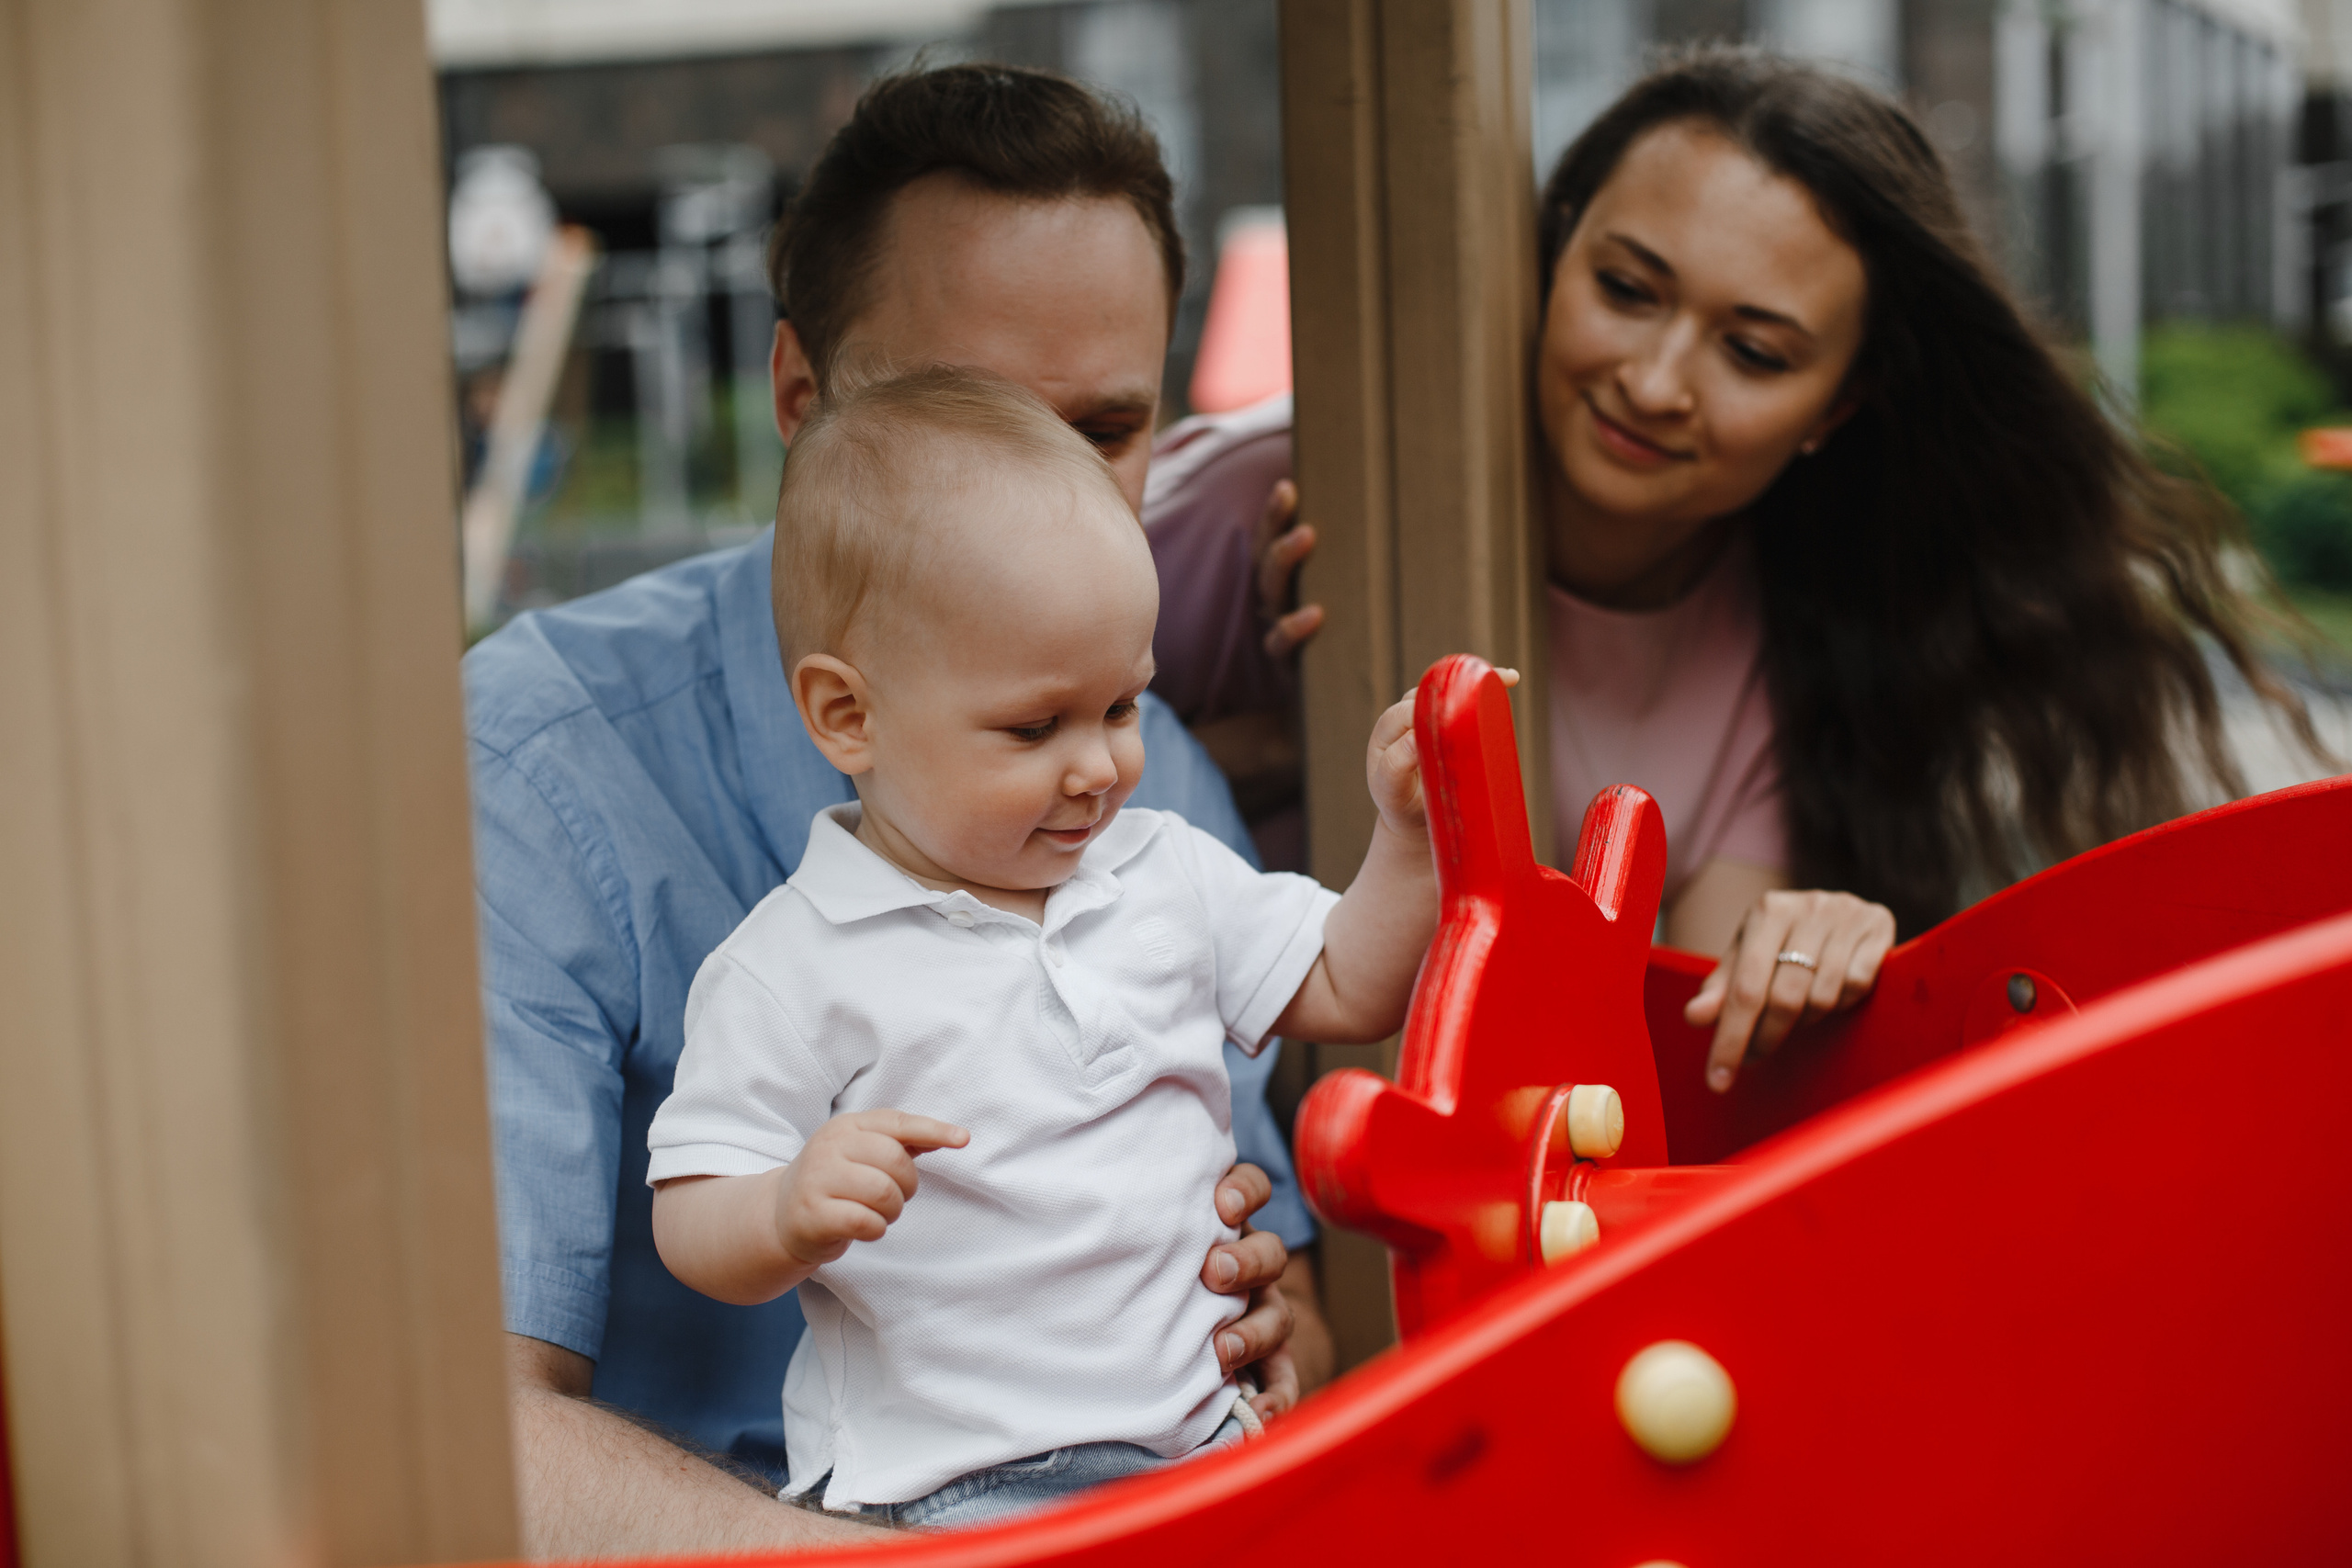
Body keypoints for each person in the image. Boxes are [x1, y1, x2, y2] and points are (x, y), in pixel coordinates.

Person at [467, 65, 1324, 1560]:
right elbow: (470, 1422)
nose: (1048, 483)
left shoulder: (1155, 766)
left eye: (1108, 428)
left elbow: (1277, 1288)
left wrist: (1267, 1317)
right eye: (975, 415)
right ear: (802, 400)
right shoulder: (534, 765)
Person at [1154, 48, 2321, 1099]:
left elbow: (1666, 1067)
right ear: (1551, 254)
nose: (1657, 382)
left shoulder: (1798, 641)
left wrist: (1808, 955)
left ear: (1838, 407)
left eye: (1752, 352)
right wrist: (1218, 744)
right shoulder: (1269, 505)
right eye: (1625, 289)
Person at [646, 366, 1440, 1529]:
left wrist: (1406, 837)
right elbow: (690, 1208)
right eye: (1034, 727)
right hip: (953, 1490)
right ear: (847, 717)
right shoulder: (795, 963)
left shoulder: (1159, 869)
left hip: (1198, 1442)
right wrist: (780, 1212)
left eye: (1122, 707)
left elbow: (1345, 980)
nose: (1099, 766)